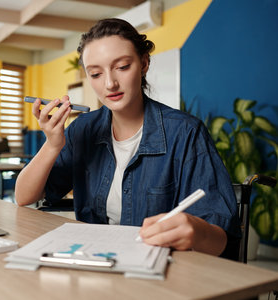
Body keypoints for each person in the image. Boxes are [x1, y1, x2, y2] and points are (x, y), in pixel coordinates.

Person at [15, 19, 240, 259]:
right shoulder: (82, 129)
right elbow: (23, 197)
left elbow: (222, 240)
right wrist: (52, 145)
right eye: (96, 73)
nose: (110, 83)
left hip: (160, 270)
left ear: (144, 63)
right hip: (96, 261)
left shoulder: (185, 132)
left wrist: (198, 233)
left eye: (122, 67)